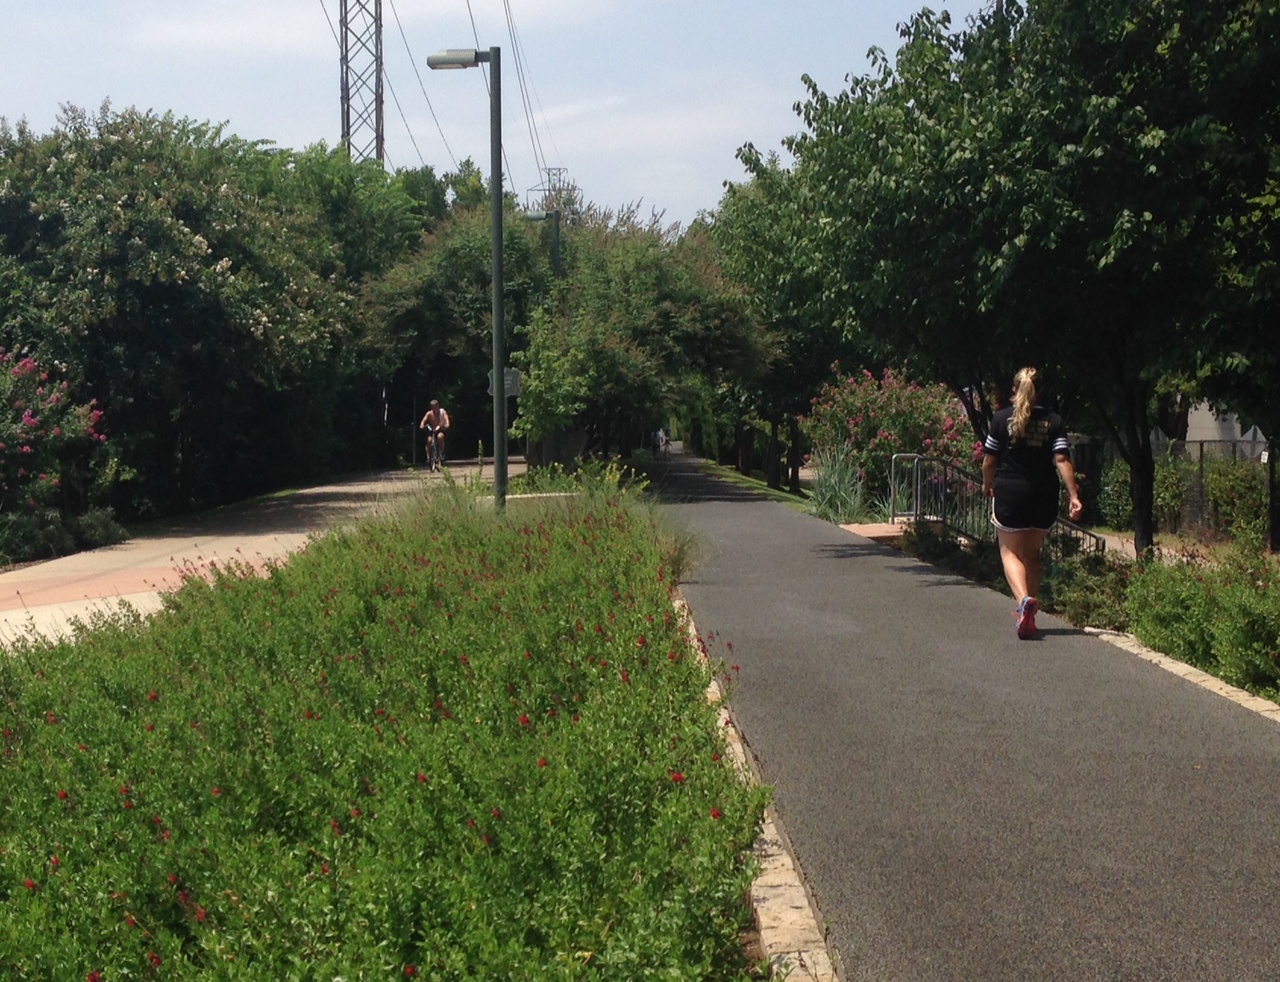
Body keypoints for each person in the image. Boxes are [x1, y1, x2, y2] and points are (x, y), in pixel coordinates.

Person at [981, 367, 1083, 639]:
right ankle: (1029, 613)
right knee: (1033, 554)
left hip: (1010, 493)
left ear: (1015, 390)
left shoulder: (1002, 419)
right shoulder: (1054, 421)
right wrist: (1073, 496)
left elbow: (989, 460)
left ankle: (1024, 601)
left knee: (1010, 553)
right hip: (1043, 494)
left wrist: (987, 484)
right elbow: (1062, 460)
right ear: (1040, 391)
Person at [419, 399, 450, 469]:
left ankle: (441, 453)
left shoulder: (442, 412)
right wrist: (422, 426)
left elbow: (447, 421)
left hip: (440, 430)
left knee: (440, 437)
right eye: (432, 406)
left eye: (435, 406)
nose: (434, 408)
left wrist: (445, 425)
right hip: (431, 430)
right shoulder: (429, 414)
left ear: (438, 406)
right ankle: (428, 457)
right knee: (429, 440)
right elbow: (423, 421)